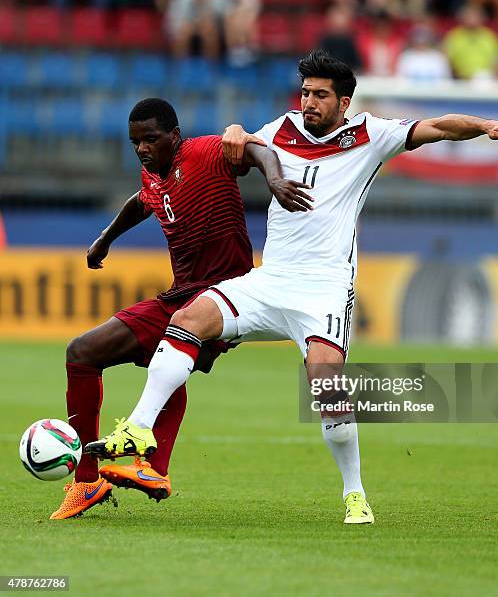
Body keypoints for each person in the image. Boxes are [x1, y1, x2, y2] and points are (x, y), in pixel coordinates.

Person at [88, 51, 498, 525]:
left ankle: (355, 493)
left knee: (327, 392)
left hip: (324, 289)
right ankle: (138, 429)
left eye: (320, 95)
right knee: (187, 319)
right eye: (305, 93)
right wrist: (237, 131)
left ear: (344, 102)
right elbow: (238, 144)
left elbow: (440, 127)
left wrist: (484, 125)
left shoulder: (370, 135)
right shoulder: (281, 128)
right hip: (271, 279)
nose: (309, 103)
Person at [50, 97, 308, 520]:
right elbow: (142, 200)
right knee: (82, 353)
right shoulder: (153, 172)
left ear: (174, 136)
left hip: (226, 299)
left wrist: (275, 181)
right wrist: (106, 237)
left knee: (173, 355)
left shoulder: (205, 153)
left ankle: (152, 468)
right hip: (179, 296)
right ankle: (87, 481)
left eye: (150, 139)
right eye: (135, 141)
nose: (142, 148)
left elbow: (259, 150)